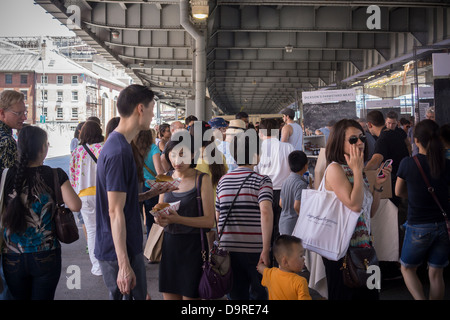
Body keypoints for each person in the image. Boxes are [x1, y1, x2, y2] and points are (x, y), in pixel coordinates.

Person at [95, 84, 173, 300]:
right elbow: (114, 211)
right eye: (151, 108)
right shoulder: (119, 152)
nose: (152, 115)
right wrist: (123, 265)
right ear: (140, 108)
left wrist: (150, 194)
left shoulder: (119, 145)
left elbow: (120, 201)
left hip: (122, 246)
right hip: (120, 250)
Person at [1, 126, 81, 299]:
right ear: (43, 148)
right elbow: (75, 206)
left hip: (12, 255)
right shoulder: (55, 174)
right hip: (46, 253)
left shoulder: (5, 175)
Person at [322, 118, 389, 300]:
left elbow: (370, 212)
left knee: (371, 294)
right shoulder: (335, 169)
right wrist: (358, 172)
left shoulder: (356, 169)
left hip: (366, 246)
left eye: (361, 138)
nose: (360, 142)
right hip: (343, 251)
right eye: (353, 139)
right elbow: (354, 205)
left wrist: (377, 186)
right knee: (348, 295)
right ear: (339, 142)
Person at [395, 119, 450, 300]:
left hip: (418, 225)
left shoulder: (407, 163)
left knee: (407, 268)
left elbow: (398, 191)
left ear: (416, 140)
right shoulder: (446, 164)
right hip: (443, 225)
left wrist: (416, 194)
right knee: (436, 274)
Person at [155, 137, 215, 300]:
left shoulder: (202, 179)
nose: (176, 160)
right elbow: (160, 209)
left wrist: (178, 219)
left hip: (194, 248)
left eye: (182, 154)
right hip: (169, 246)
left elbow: (210, 221)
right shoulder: (165, 178)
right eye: (172, 155)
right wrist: (159, 218)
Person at [215, 132, 273, 300]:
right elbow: (266, 212)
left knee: (236, 295)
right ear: (256, 155)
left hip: (228, 249)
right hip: (255, 249)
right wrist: (266, 248)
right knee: (259, 294)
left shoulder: (223, 181)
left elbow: (218, 218)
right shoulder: (262, 181)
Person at [70, 120, 104, 276]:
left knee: (91, 231)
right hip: (103, 193)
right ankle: (109, 263)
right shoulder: (103, 148)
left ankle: (96, 267)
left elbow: (73, 174)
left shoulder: (77, 151)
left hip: (83, 194)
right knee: (107, 228)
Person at [255, 118, 293, 245]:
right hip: (285, 193)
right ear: (278, 131)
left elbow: (255, 171)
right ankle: (280, 260)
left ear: (260, 133)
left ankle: (267, 255)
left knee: (266, 228)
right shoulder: (288, 147)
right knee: (282, 230)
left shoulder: (256, 150)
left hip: (263, 193)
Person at [256, 235, 311, 300]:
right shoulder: (300, 282)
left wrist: (260, 264)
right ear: (285, 262)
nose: (303, 259)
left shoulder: (271, 274)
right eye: (301, 256)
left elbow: (261, 269)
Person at [132, 129, 165, 237]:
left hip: (136, 187)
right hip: (151, 187)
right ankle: (151, 247)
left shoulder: (134, 149)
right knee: (152, 219)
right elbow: (159, 171)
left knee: (136, 219)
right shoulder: (153, 148)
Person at [278, 150, 309, 236]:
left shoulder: (285, 181)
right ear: (305, 166)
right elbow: (297, 206)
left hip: (283, 223)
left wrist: (288, 208)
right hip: (293, 226)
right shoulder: (301, 184)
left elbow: (281, 203)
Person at [0, 90, 27, 171]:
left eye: (24, 113)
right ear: (2, 113)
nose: (24, 118)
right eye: (19, 113)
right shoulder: (7, 142)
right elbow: (8, 181)